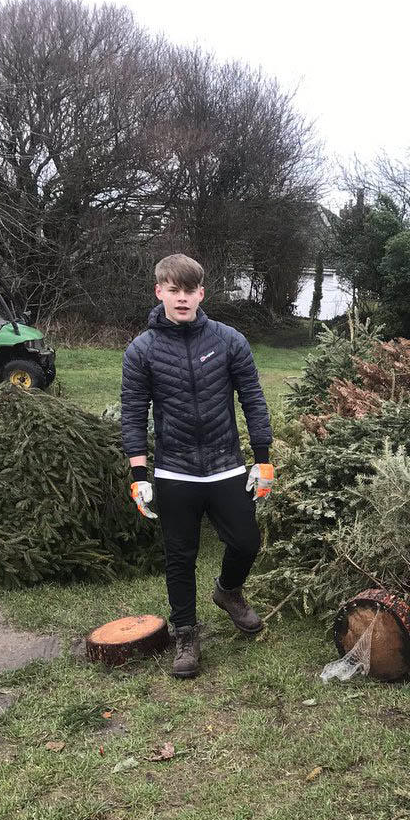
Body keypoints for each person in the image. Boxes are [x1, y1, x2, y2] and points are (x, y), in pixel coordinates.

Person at [121, 253, 274, 679]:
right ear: (159, 291)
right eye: (174, 289)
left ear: (201, 294)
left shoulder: (229, 340)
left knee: (246, 541)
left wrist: (263, 461)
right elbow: (133, 414)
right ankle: (186, 634)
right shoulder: (142, 350)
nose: (182, 298)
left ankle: (228, 592)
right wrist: (139, 476)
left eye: (190, 290)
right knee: (179, 556)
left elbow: (253, 400)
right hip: (175, 471)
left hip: (226, 465)